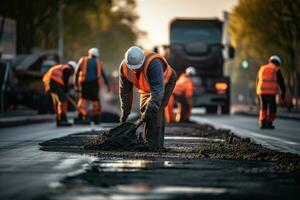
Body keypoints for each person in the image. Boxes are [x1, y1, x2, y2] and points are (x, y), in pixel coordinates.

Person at [119, 46, 177, 149]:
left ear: (143, 61)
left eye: (138, 67)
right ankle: (149, 142)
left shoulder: (154, 64)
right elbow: (125, 92)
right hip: (146, 88)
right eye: (133, 68)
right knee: (144, 111)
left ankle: (155, 145)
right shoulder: (124, 68)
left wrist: (150, 110)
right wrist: (125, 112)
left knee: (155, 111)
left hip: (165, 82)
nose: (135, 70)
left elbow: (157, 92)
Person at [74, 48, 110, 124]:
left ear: (89, 54)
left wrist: (76, 85)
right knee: (95, 100)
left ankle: (81, 115)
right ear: (96, 56)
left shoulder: (82, 60)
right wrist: (108, 86)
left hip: (84, 84)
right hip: (94, 84)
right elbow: (103, 75)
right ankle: (96, 118)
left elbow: (76, 72)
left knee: (83, 99)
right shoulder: (98, 63)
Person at [43, 61, 76, 126]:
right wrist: (66, 91)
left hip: (48, 83)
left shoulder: (61, 67)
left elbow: (61, 80)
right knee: (64, 100)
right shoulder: (67, 68)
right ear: (72, 68)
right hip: (54, 83)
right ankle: (63, 119)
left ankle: (59, 120)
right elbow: (65, 81)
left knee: (57, 102)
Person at [256, 55, 286, 129]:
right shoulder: (276, 69)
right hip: (270, 91)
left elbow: (257, 80)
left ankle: (262, 123)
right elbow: (281, 82)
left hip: (261, 91)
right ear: (278, 62)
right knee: (273, 107)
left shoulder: (262, 68)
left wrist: (257, 91)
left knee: (263, 107)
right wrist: (283, 93)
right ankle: (269, 123)